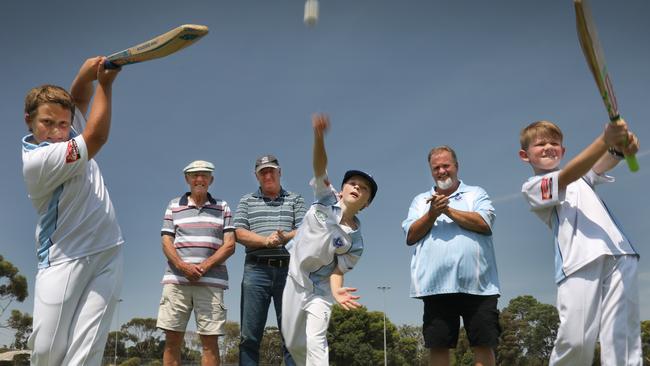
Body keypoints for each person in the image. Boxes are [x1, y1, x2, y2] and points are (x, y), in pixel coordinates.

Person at [21, 57, 122, 365]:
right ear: (29, 121)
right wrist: (105, 83)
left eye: (63, 124)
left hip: (108, 251)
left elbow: (78, 98)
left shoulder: (67, 133)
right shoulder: (39, 161)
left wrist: (85, 73)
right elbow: (96, 137)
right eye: (47, 123)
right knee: (47, 352)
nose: (57, 131)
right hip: (62, 259)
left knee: (86, 352)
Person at [519, 120, 641, 365]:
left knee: (623, 340)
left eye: (554, 143)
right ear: (525, 156)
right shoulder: (532, 188)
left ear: (563, 151)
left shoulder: (583, 177)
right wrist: (605, 139)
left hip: (620, 252)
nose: (548, 147)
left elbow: (603, 161)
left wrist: (622, 147)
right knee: (576, 341)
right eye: (540, 144)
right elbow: (567, 175)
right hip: (578, 262)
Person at [281, 113, 378, 366]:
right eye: (353, 183)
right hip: (294, 279)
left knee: (316, 340)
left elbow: (338, 269)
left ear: (366, 203)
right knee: (293, 342)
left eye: (364, 188)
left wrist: (336, 290)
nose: (357, 188)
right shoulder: (325, 198)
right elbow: (319, 167)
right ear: (343, 189)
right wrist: (319, 137)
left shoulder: (355, 241)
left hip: (321, 290)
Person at [402, 146, 501, 366]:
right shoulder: (420, 201)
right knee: (438, 345)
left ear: (456, 166)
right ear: (431, 171)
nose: (441, 171)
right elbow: (410, 236)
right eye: (436, 167)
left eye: (446, 165)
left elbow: (484, 224)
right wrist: (432, 213)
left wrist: (447, 210)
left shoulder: (476, 193)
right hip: (436, 286)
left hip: (479, 285)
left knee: (483, 343)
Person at [156, 160, 236, 366]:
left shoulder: (223, 207)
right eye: (194, 175)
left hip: (211, 283)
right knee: (172, 341)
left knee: (210, 344)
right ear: (187, 179)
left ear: (211, 179)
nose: (199, 179)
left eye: (204, 175)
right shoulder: (174, 205)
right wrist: (183, 267)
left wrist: (204, 266)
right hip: (176, 282)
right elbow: (166, 242)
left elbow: (229, 245)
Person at [234, 154, 306, 366]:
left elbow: (304, 229)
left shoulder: (295, 199)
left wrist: (285, 238)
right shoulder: (247, 201)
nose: (267, 175)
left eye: (271, 170)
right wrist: (266, 241)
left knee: (292, 335)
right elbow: (238, 232)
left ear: (279, 172)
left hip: (289, 272)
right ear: (256, 176)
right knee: (249, 336)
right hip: (256, 271)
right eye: (262, 172)